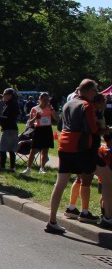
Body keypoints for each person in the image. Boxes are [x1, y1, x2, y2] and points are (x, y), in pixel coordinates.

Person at [46, 79, 101, 235]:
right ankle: (87, 212)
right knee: (92, 177)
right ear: (89, 91)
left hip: (64, 146)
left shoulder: (68, 104)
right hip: (80, 147)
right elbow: (92, 129)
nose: (96, 94)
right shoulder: (87, 105)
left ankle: (52, 220)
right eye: (95, 91)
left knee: (60, 184)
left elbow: (60, 126)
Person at [23, 92, 56, 175]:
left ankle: (42, 168)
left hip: (47, 129)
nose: (46, 101)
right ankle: (28, 168)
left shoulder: (50, 108)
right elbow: (29, 123)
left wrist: (52, 110)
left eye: (48, 100)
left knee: (45, 150)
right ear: (40, 99)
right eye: (44, 99)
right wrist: (35, 117)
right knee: (33, 150)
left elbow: (57, 119)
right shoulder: (35, 109)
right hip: (38, 129)